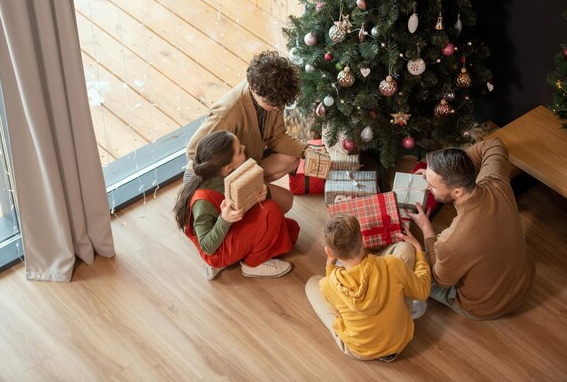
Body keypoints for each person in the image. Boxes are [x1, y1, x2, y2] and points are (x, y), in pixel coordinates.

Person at [407, 137, 535, 319]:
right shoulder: (495, 180)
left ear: (457, 191)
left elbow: (441, 280)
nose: (427, 186)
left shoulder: (450, 241)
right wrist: (452, 169)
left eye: (431, 184)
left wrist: (426, 229)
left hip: (486, 306)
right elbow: (494, 144)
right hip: (523, 282)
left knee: (415, 269)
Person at [185, 50, 308, 214]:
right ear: (254, 88)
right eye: (272, 104)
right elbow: (193, 150)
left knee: (293, 159)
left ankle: (251, 191)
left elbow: (277, 136)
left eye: (281, 104)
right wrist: (230, 173)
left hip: (244, 163)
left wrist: (306, 149)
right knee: (285, 202)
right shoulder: (228, 113)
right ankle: (247, 195)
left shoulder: (274, 96)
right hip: (216, 178)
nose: (278, 108)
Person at [174, 130, 300, 280]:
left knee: (290, 229)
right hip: (216, 250)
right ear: (227, 168)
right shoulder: (202, 201)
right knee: (270, 210)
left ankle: (240, 255)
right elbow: (207, 246)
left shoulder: (231, 174)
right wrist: (225, 220)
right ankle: (252, 265)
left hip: (230, 231)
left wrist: (262, 192)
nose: (244, 148)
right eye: (240, 150)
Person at [305, 215, 430, 361]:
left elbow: (336, 309)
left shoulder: (328, 284)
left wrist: (330, 267)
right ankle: (393, 309)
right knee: (405, 248)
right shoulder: (392, 264)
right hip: (401, 339)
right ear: (363, 240)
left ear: (329, 252)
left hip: (361, 350)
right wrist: (419, 250)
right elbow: (424, 292)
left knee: (312, 284)